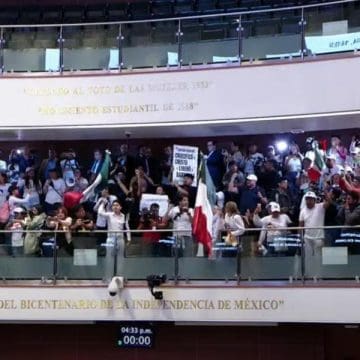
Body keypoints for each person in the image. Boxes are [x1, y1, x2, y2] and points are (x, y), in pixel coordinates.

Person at [298, 191, 330, 277]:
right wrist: (299, 237)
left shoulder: (320, 207)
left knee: (318, 258)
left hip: (319, 237)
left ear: (314, 200)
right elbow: (301, 225)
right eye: (307, 199)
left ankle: (318, 276)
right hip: (307, 238)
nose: (308, 201)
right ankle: (308, 275)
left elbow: (329, 202)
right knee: (307, 258)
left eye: (310, 199)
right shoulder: (303, 211)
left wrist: (326, 194)